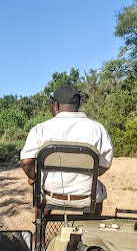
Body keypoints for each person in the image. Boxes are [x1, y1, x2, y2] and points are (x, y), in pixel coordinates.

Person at [20, 85, 113, 215]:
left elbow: (26, 162)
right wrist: (89, 176)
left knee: (42, 189)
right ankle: (91, 224)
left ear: (56, 106)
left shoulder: (40, 129)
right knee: (98, 189)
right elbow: (105, 163)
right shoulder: (98, 129)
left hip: (51, 195)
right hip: (86, 198)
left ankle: (40, 230)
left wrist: (34, 177)